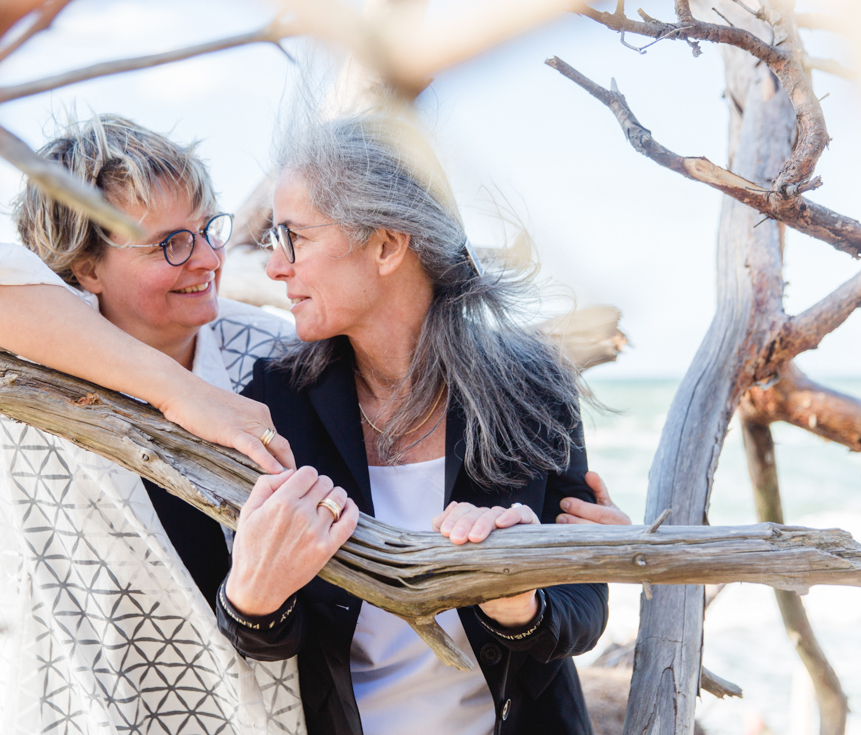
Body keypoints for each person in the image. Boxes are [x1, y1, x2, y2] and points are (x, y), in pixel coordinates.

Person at [215, 113, 618, 735]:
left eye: (293, 237)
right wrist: (251, 600)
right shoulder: (275, 399)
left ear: (386, 245)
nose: (273, 267)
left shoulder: (529, 388)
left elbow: (585, 607)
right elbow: (262, 636)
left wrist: (516, 600)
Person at [0, 115, 306, 735]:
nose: (208, 258)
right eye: (169, 244)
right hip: (78, 712)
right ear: (86, 268)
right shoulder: (25, 355)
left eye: (208, 229)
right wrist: (179, 392)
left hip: (258, 714)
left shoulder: (268, 351)